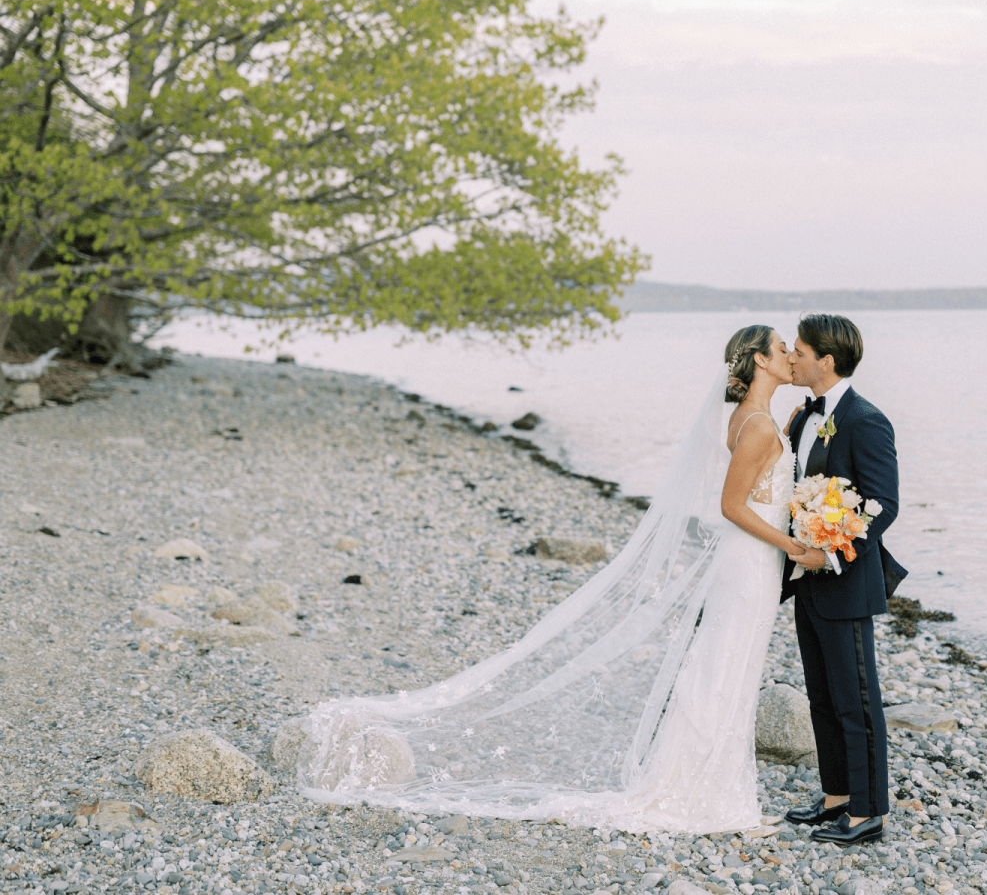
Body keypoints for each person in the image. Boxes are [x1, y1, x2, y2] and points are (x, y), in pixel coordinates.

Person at [293, 325, 825, 835]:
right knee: (725, 670)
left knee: (727, 668)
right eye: (782, 348)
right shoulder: (755, 425)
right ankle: (703, 796)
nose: (789, 356)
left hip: (752, 561)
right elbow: (733, 506)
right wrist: (795, 547)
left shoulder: (754, 419)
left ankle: (717, 791)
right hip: (751, 560)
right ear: (758, 359)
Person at [779, 313, 904, 847]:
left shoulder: (865, 420)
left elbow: (883, 505)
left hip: (843, 577)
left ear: (826, 361)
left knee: (856, 697)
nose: (793, 358)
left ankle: (869, 809)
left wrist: (830, 554)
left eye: (800, 352)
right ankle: (836, 799)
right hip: (805, 577)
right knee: (822, 695)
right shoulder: (803, 417)